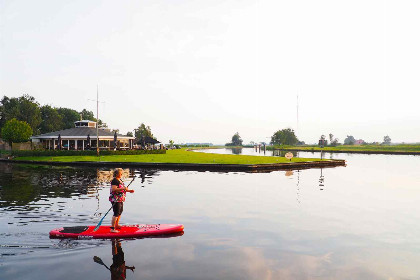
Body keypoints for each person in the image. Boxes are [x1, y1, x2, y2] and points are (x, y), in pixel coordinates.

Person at [109, 168, 134, 233]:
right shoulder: (114, 181)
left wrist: (129, 190)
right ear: (117, 174)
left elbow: (122, 189)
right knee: (116, 213)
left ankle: (116, 225)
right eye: (120, 173)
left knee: (120, 212)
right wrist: (123, 188)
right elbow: (114, 189)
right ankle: (112, 228)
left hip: (120, 199)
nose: (121, 174)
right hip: (115, 199)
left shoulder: (119, 180)